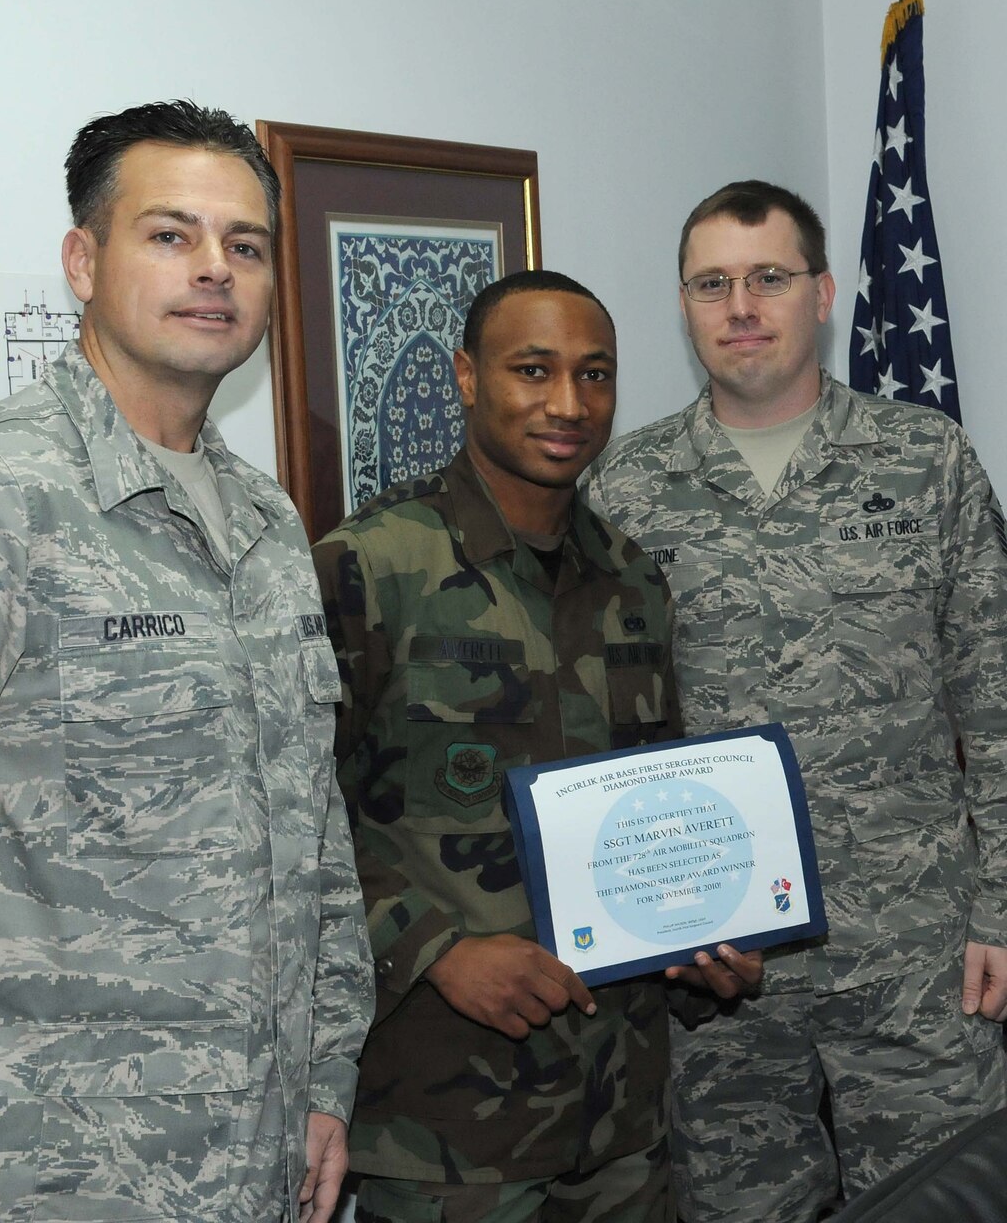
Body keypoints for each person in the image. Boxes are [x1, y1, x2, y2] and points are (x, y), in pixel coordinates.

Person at [0, 100, 374, 1221]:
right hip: (26, 1173)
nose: (214, 270)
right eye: (170, 234)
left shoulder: (265, 523)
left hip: (251, 1159)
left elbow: (315, 838)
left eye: (244, 245)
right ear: (83, 260)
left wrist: (325, 1074)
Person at [585, 181, 1007, 1222]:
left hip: (916, 951)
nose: (740, 305)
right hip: (718, 965)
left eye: (767, 277)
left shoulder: (921, 460)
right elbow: (601, 734)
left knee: (948, 1206)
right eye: (711, 283)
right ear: (683, 307)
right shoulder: (624, 489)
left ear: (822, 293)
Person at [314, 269, 760, 1223]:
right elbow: (291, 815)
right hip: (446, 1123)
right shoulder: (370, 565)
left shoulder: (634, 581)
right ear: (468, 378)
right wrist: (434, 949)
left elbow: (654, 805)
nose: (569, 404)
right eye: (534, 370)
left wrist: (701, 933)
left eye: (595, 375)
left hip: (620, 1116)